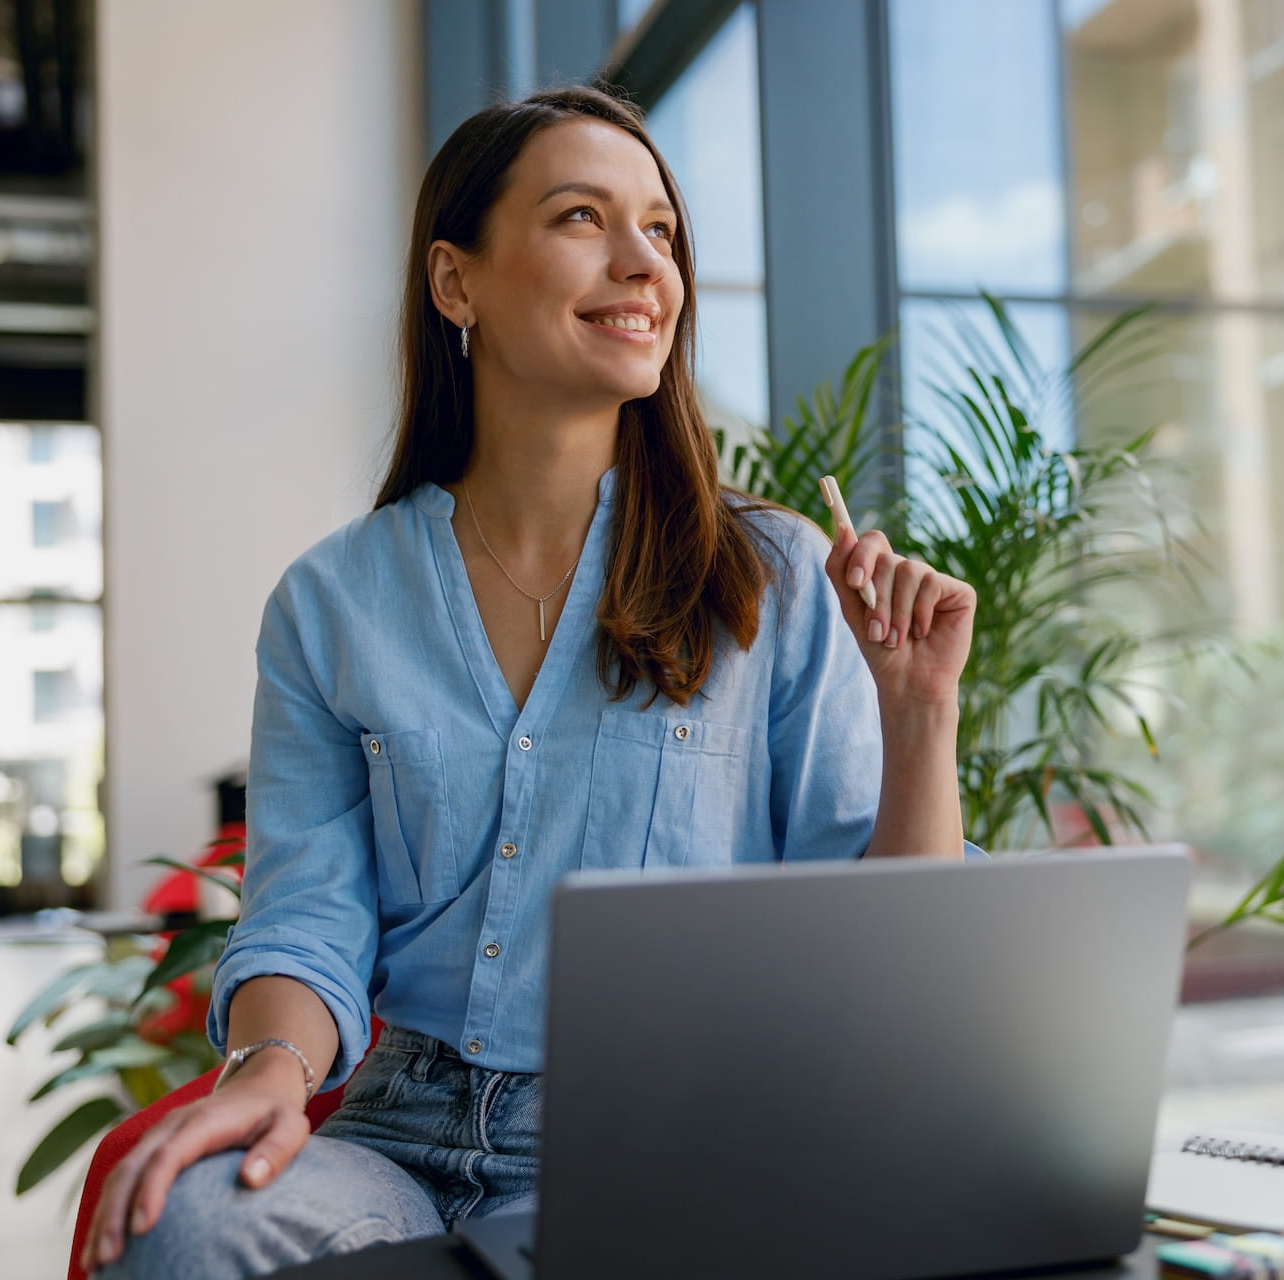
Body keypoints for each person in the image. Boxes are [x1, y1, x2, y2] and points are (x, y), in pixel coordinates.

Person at [84, 85, 979, 1278]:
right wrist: (265, 1073)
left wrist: (919, 713)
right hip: (397, 1132)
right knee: (192, 1227)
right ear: (456, 284)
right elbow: (306, 915)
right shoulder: (333, 600)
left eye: (660, 230)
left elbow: (890, 954)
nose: (642, 263)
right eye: (581, 218)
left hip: (674, 1129)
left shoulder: (773, 576)